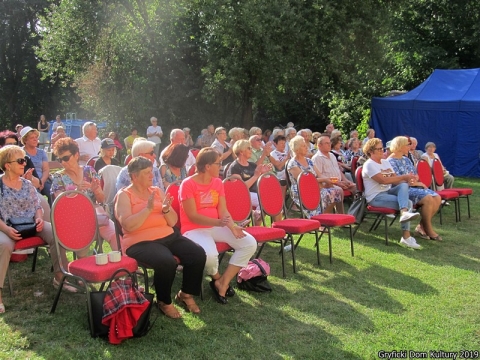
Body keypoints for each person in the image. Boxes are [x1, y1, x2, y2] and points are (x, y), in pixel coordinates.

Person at [116, 157, 205, 317]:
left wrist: (165, 210)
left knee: (197, 253)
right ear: (135, 176)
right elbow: (128, 225)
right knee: (166, 261)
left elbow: (173, 221)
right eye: (147, 173)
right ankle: (164, 301)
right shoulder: (124, 195)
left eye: (152, 172)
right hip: (140, 242)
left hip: (168, 235)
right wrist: (148, 209)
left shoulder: (156, 191)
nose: (152, 176)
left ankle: (185, 294)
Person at [0, 145, 75, 313]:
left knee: (57, 233)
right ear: (7, 165)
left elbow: (37, 206)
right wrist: (6, 230)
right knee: (3, 245)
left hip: (32, 225)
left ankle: (59, 276)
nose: (24, 163)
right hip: (7, 227)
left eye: (25, 160)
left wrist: (39, 218)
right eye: (20, 160)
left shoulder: (27, 184)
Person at [179, 148, 256, 304]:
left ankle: (223, 282)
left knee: (249, 243)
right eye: (218, 163)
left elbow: (222, 210)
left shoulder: (217, 182)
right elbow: (192, 215)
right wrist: (219, 223)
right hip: (193, 229)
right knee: (210, 256)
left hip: (216, 226)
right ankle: (217, 278)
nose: (221, 166)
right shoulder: (187, 184)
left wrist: (233, 226)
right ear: (207, 166)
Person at [51, 137, 118, 252]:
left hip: (95, 215)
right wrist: (76, 191)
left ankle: (122, 266)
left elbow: (102, 199)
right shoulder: (58, 177)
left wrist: (96, 190)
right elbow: (59, 202)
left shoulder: (89, 171)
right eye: (60, 159)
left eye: (66, 158)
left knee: (115, 236)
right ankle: (88, 266)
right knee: (83, 251)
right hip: (73, 218)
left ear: (76, 155)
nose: (63, 162)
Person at [362, 138, 422, 249]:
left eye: (382, 148)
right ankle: (406, 237)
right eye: (378, 149)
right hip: (376, 197)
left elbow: (395, 179)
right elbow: (383, 181)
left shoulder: (385, 162)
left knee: (403, 186)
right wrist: (404, 177)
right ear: (371, 151)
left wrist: (408, 180)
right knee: (408, 203)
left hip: (387, 191)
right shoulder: (369, 165)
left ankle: (404, 214)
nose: (382, 151)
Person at [388, 136, 442, 241]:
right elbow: (395, 181)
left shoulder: (406, 159)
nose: (409, 147)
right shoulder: (390, 161)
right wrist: (411, 181)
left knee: (437, 197)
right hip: (401, 190)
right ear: (400, 146)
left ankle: (421, 227)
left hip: (412, 186)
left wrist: (415, 179)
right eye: (407, 145)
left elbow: (415, 174)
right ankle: (429, 229)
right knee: (428, 198)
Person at [0, 131, 50, 221]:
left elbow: (38, 183)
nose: (23, 163)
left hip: (29, 214)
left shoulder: (25, 159)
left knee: (42, 202)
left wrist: (29, 179)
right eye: (9, 144)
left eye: (15, 143)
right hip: (7, 224)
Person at [287, 135, 343, 215]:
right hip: (302, 189)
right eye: (303, 146)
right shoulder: (293, 163)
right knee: (325, 194)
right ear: (297, 149)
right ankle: (317, 217)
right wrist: (324, 180)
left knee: (336, 192)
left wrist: (329, 179)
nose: (307, 148)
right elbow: (305, 181)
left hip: (315, 186)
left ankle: (322, 217)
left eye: (306, 145)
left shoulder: (309, 161)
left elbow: (319, 174)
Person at [226, 140, 272, 209]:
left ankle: (260, 216)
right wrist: (256, 175)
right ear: (241, 152)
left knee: (273, 198)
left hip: (255, 193)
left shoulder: (252, 165)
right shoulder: (235, 167)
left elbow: (260, 182)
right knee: (265, 201)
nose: (251, 150)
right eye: (249, 148)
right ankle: (257, 217)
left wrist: (263, 173)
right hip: (241, 195)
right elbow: (240, 188)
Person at [20, 126, 52, 205]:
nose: (35, 139)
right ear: (25, 140)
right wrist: (35, 182)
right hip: (28, 180)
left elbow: (46, 169)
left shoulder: (41, 152)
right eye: (32, 138)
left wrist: (42, 182)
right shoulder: (20, 153)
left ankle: (53, 213)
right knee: (36, 195)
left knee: (52, 192)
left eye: (36, 137)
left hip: (43, 179)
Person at [269, 135, 290, 200]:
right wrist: (286, 159)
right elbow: (279, 167)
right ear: (275, 144)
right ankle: (282, 205)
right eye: (281, 143)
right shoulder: (273, 154)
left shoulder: (287, 153)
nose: (283, 145)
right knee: (283, 183)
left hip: (288, 173)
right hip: (280, 175)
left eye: (284, 143)